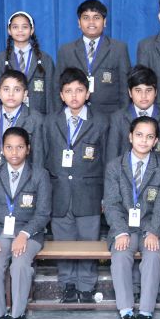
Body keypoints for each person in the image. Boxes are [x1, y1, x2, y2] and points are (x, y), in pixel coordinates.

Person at [107, 65, 160, 303]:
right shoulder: (119, 118)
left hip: (157, 189)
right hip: (125, 192)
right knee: (125, 248)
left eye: (149, 90)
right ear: (130, 93)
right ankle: (130, 303)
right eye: (138, 91)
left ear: (156, 92)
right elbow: (112, 155)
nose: (144, 96)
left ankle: (155, 296)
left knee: (153, 246)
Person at [104, 116, 160, 319]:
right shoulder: (115, 166)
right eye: (139, 135)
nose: (144, 140)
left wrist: (154, 231)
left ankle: (145, 315)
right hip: (124, 227)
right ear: (130, 137)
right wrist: (120, 231)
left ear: (156, 141)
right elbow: (111, 204)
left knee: (152, 255)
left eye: (149, 136)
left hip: (152, 227)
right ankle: (126, 314)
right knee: (120, 254)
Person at [0, 127, 51, 319]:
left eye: (20, 147)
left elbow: (43, 213)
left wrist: (24, 234)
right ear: (2, 149)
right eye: (9, 147)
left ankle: (17, 316)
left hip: (29, 233)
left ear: (28, 149)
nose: (14, 152)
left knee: (19, 264)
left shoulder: (40, 174)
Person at [44, 67, 108, 303]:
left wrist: (106, 196)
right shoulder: (50, 122)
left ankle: (87, 285)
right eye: (68, 91)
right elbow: (42, 158)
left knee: (89, 241)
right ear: (61, 95)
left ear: (88, 93)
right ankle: (68, 285)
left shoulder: (100, 121)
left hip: (90, 193)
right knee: (63, 242)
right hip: (59, 192)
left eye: (79, 90)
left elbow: (108, 161)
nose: (74, 95)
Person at [53, 0, 131, 115]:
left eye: (96, 17)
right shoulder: (66, 51)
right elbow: (57, 87)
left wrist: (123, 117)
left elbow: (125, 88)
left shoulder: (119, 49)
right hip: (75, 115)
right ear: (79, 22)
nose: (91, 22)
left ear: (105, 22)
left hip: (110, 116)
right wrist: (59, 116)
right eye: (86, 18)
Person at [0, 11, 56, 115]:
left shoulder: (45, 59)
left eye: (24, 27)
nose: (20, 30)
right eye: (15, 27)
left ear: (32, 30)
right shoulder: (0, 59)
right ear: (9, 30)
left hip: (38, 117)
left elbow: (51, 95)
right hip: (9, 116)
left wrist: (51, 120)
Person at [0, 69, 45, 171]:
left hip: (25, 178)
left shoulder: (36, 119)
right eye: (6, 89)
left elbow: (38, 158)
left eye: (17, 90)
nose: (11, 94)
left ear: (25, 94)